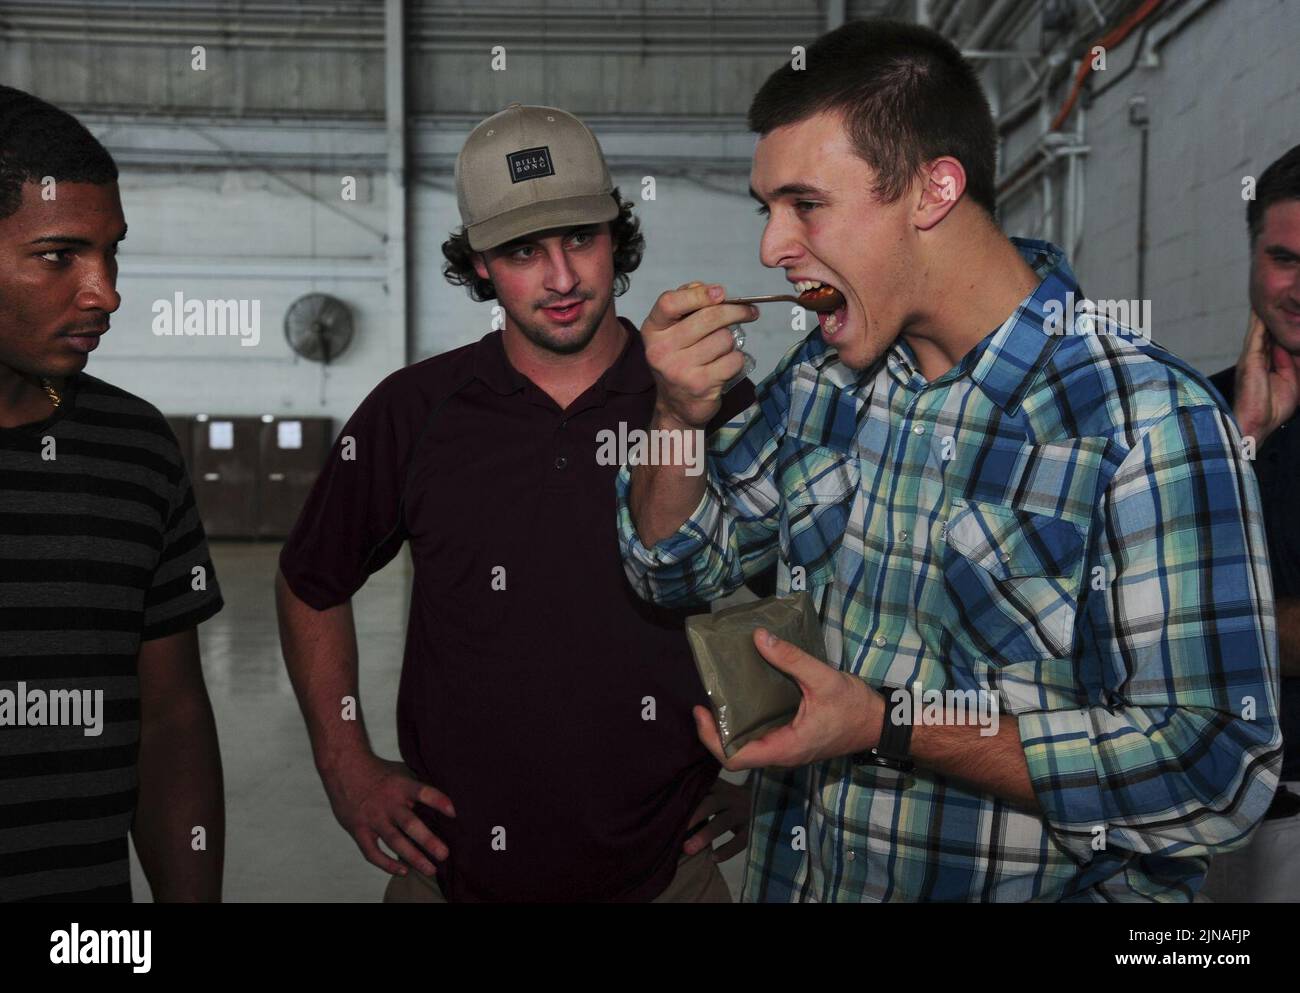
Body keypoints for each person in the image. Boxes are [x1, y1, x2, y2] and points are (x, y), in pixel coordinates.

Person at [616, 21, 1282, 902]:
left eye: (805, 204)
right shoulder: (821, 378)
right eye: (765, 208)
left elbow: (1215, 768)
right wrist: (673, 415)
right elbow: (669, 565)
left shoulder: (1144, 420)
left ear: (933, 189)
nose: (772, 248)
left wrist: (892, 724)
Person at [276, 103, 755, 902]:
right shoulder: (414, 409)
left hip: (671, 875)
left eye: (582, 239)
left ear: (617, 237)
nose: (562, 278)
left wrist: (766, 764)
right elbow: (309, 581)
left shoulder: (709, 400)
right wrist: (346, 763)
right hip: (454, 876)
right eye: (523, 250)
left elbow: (805, 593)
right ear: (481, 265)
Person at [0, 86, 225, 902]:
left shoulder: (137, 450)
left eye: (112, 252)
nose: (106, 292)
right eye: (61, 255)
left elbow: (169, 723)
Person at [1204, 143, 1300, 902]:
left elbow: (1163, 620)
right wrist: (1245, 443)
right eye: (1283, 258)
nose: (1299, 286)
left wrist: (1199, 625)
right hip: (1196, 816)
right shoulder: (1196, 410)